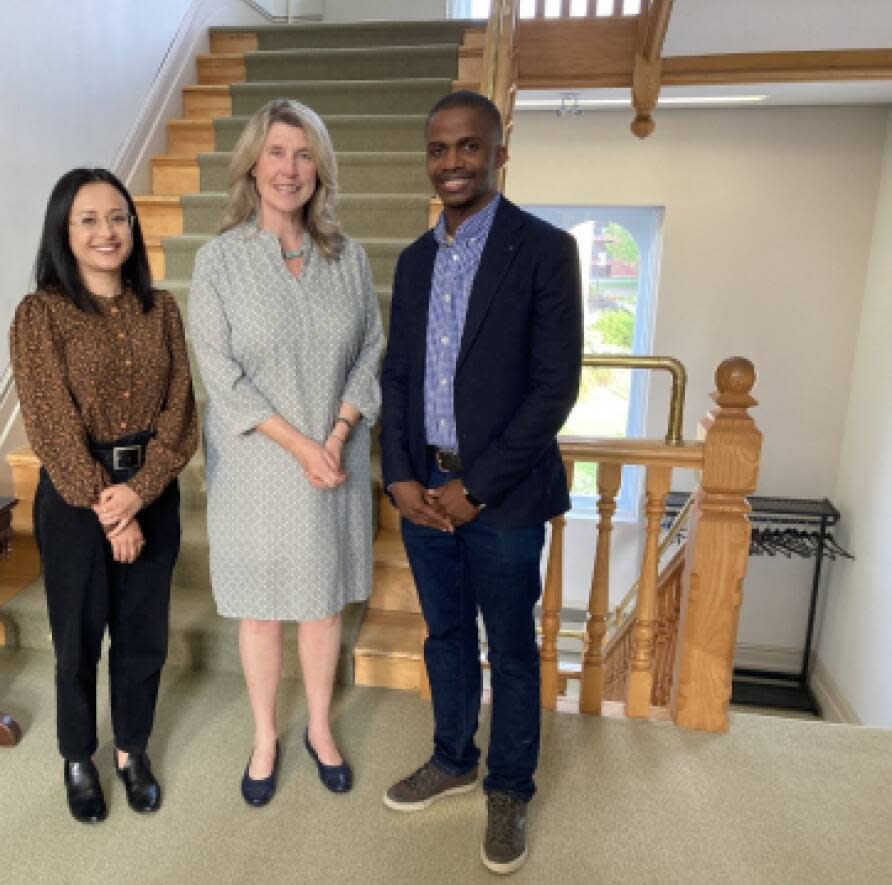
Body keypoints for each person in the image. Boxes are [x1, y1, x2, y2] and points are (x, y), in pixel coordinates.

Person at [379, 91, 582, 875]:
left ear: (499, 152)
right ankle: (453, 755)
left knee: (512, 646)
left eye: (469, 147)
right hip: (424, 486)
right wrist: (398, 473)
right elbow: (399, 375)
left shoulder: (542, 249)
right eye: (439, 149)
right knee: (446, 634)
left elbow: (553, 387)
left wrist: (480, 487)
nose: (453, 162)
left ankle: (509, 787)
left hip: (503, 496)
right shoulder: (414, 259)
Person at [187, 99, 383, 807]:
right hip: (257, 466)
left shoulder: (348, 257)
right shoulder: (219, 261)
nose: (289, 169)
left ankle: (320, 728)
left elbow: (370, 349)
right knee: (263, 610)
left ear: (320, 169)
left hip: (333, 461)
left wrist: (333, 436)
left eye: (304, 155)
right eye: (276, 152)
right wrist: (301, 443)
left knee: (323, 605)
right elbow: (221, 375)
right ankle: (267, 733)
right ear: (252, 163)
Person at [9, 168, 198, 824]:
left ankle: (133, 751)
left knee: (143, 633)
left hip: (154, 489)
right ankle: (77, 755)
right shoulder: (41, 314)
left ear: (133, 225)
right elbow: (48, 419)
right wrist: (106, 503)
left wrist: (139, 493)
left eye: (117, 216)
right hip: (73, 498)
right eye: (88, 219)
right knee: (78, 635)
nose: (106, 231)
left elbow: (181, 410)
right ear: (64, 230)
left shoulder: (162, 307)